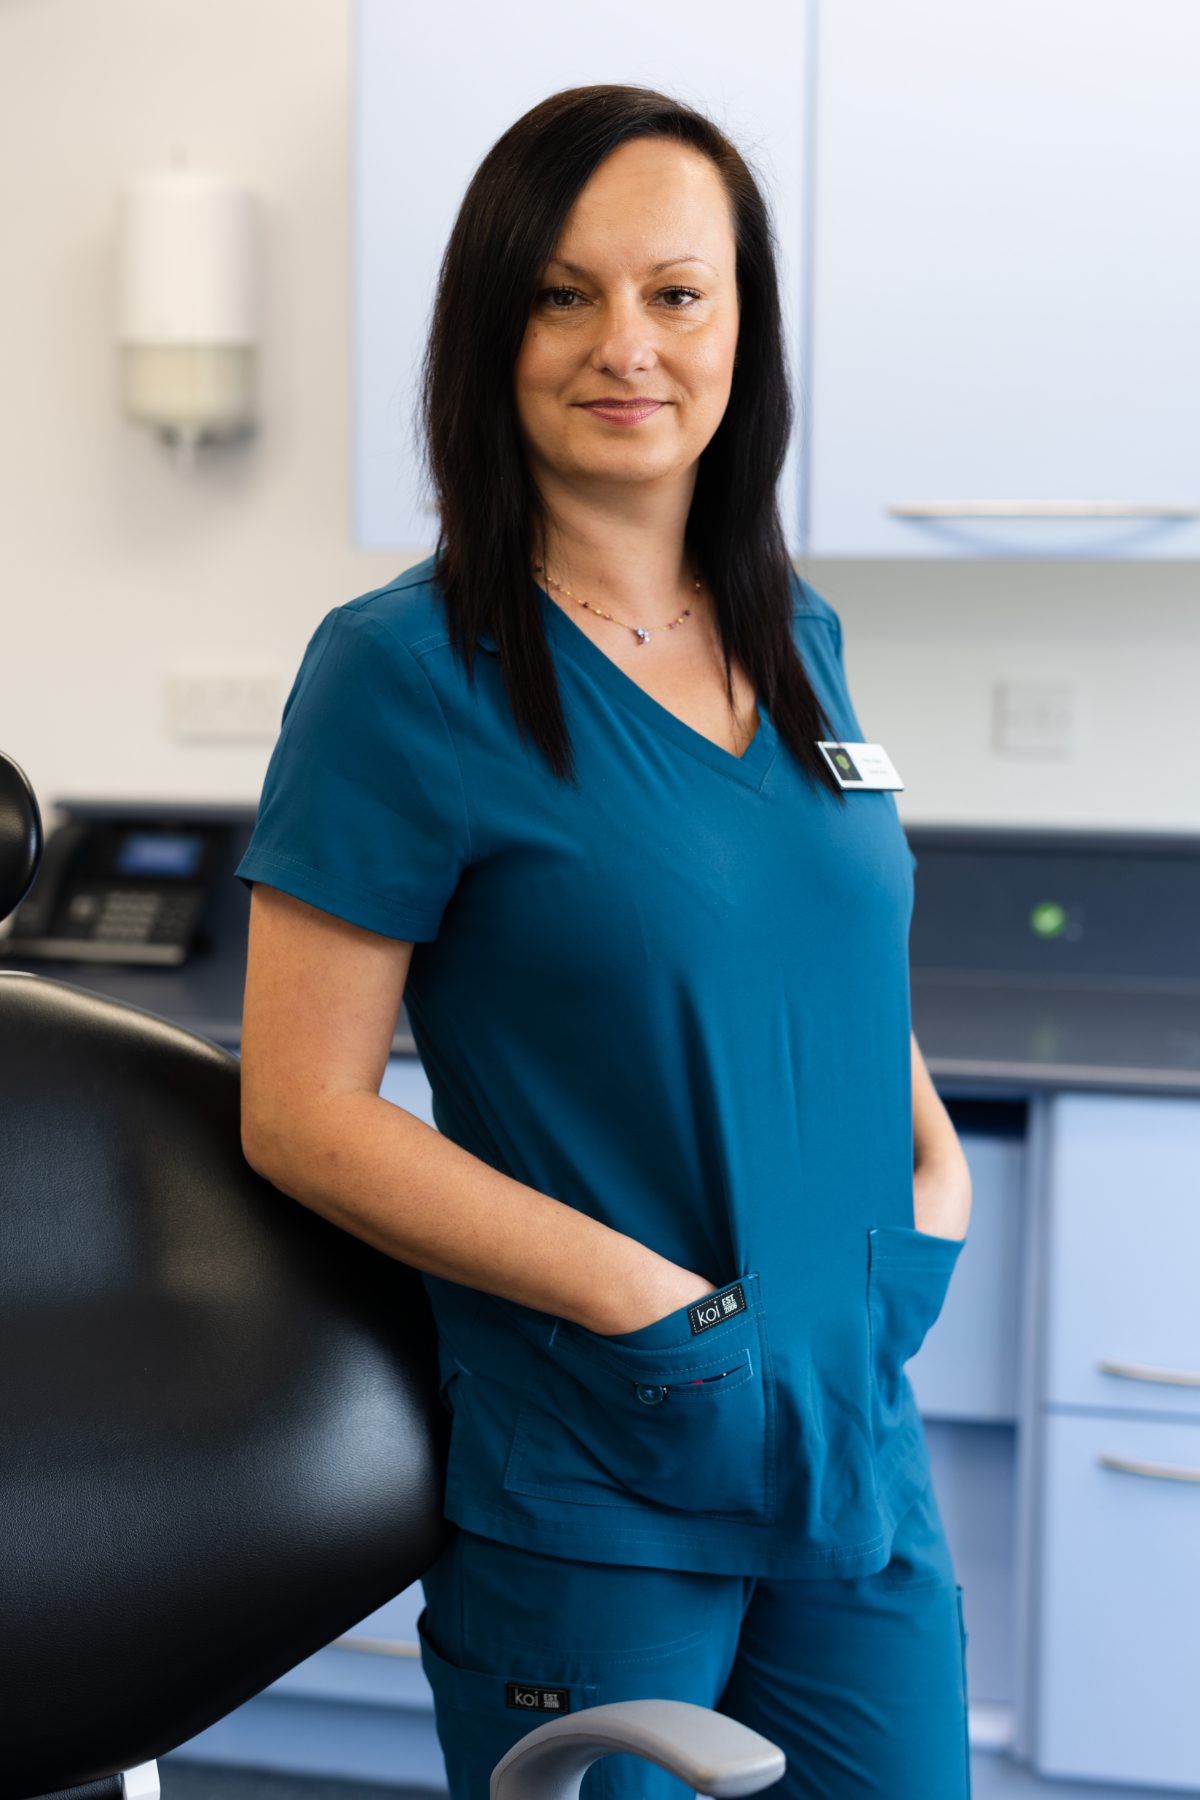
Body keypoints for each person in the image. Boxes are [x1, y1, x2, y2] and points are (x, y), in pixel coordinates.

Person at [236, 83, 974, 1800]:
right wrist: (651, 1307)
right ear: (491, 331)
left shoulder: (800, 636)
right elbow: (302, 1109)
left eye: (676, 292)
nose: (624, 343)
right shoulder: (403, 676)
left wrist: (933, 1190)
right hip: (603, 1470)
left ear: (742, 329)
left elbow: (837, 941)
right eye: (563, 294)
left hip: (852, 1447)